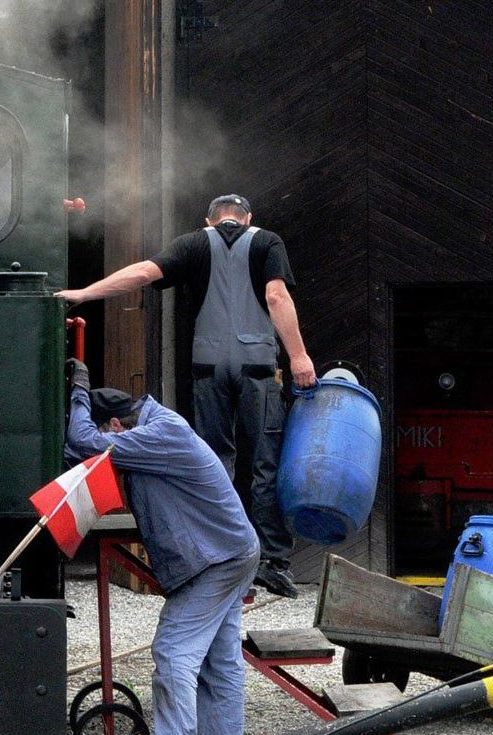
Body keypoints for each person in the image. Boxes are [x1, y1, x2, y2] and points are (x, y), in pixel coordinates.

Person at [56, 193, 314, 599]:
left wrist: (84, 293)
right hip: (258, 368)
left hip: (208, 368)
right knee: (266, 463)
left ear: (210, 220)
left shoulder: (195, 242)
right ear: (248, 218)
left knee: (215, 461)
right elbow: (276, 296)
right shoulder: (267, 242)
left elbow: (143, 272)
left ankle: (221, 552)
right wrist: (298, 357)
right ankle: (273, 561)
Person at [64, 360, 260, 735]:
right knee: (219, 662)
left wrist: (79, 390)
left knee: (174, 653)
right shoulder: (157, 428)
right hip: (229, 550)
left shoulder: (162, 433)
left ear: (116, 425)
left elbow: (85, 442)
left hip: (216, 558)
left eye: (108, 432)